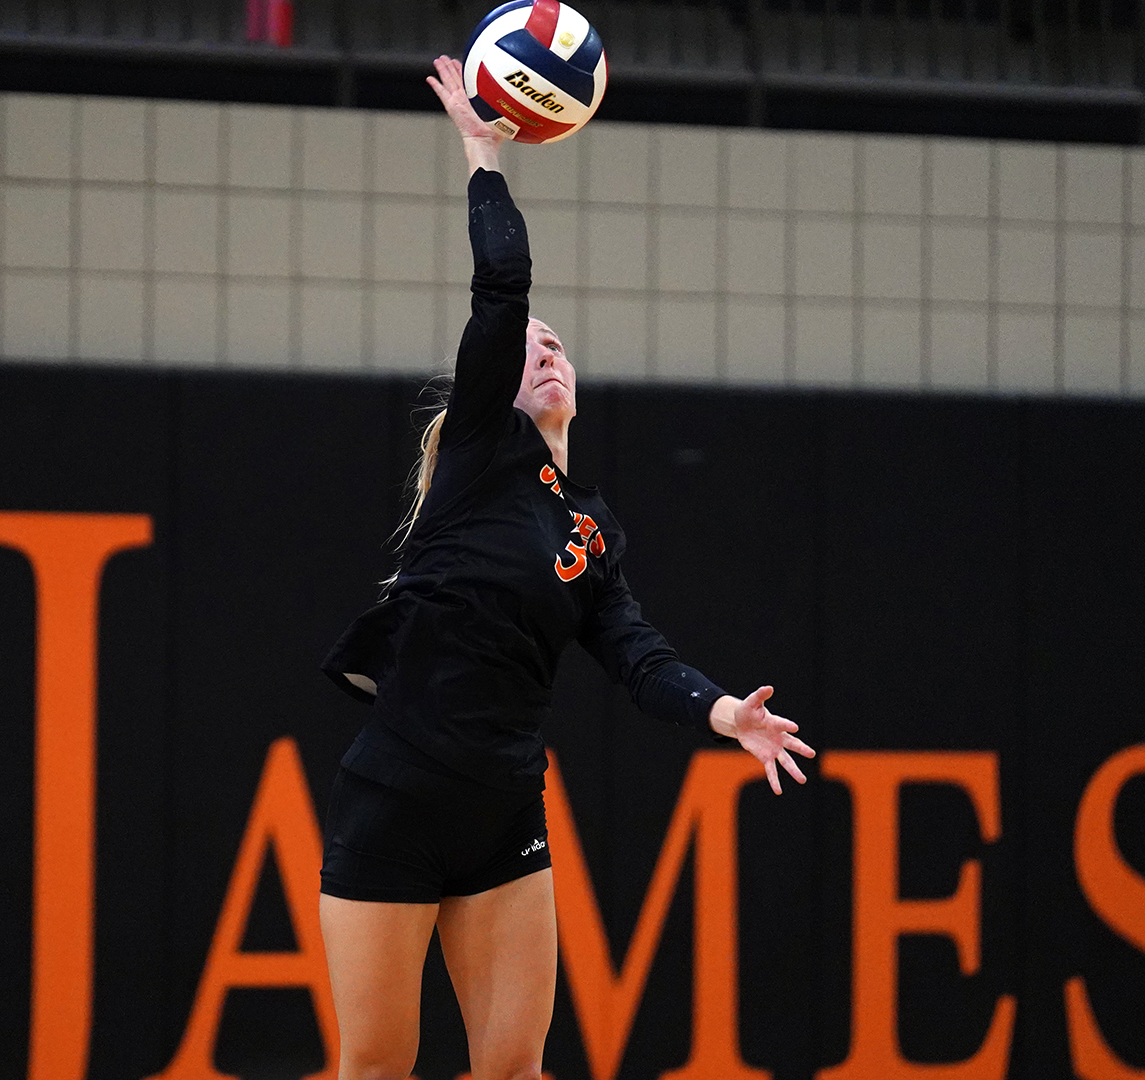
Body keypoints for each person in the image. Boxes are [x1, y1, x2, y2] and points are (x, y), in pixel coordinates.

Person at [315, 55, 817, 1080]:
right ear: (494, 390)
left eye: (559, 347)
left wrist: (729, 715)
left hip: (505, 811)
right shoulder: (474, 468)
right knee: (373, 1069)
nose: (546, 352)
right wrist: (482, 153)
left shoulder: (586, 532)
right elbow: (501, 289)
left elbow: (637, 657)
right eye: (529, 349)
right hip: (399, 797)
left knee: (517, 1071)